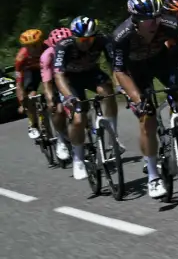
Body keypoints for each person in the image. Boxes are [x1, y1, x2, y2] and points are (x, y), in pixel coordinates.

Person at [107, 0, 178, 198]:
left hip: (160, 61)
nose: (153, 23)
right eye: (147, 20)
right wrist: (137, 99)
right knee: (147, 119)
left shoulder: (169, 24)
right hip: (134, 71)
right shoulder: (121, 36)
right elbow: (119, 71)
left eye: (156, 17)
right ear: (135, 20)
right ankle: (153, 176)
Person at [53, 16, 117, 182]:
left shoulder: (102, 40)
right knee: (79, 118)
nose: (87, 43)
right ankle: (78, 159)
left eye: (90, 39)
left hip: (91, 73)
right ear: (74, 37)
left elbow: (115, 66)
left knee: (108, 91)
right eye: (82, 39)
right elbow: (58, 75)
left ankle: (112, 134)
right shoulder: (63, 46)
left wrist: (119, 86)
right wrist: (68, 97)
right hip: (70, 79)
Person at [39, 28, 72, 162]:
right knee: (57, 110)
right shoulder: (47, 56)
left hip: (72, 77)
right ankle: (61, 138)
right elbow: (46, 83)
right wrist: (50, 99)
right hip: (54, 81)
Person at [15, 29, 47, 148]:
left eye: (35, 45)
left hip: (45, 68)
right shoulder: (21, 57)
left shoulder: (47, 48)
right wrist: (22, 103)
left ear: (41, 42)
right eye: (29, 46)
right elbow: (19, 83)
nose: (33, 48)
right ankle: (33, 123)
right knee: (30, 95)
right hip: (30, 72)